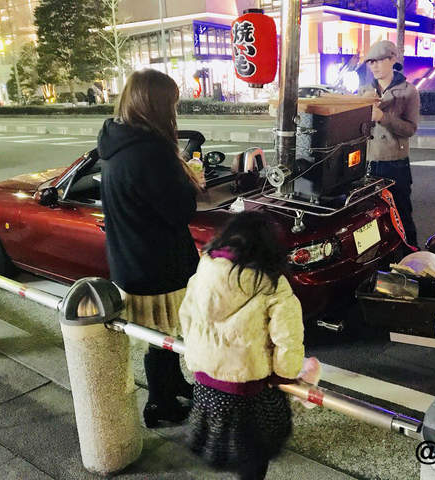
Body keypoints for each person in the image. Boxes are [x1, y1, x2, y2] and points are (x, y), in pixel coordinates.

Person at [98, 69, 202, 427]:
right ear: (157, 105)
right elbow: (180, 210)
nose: (175, 111)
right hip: (158, 264)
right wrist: (191, 181)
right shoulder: (151, 152)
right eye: (172, 103)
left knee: (161, 335)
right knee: (161, 335)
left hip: (131, 258)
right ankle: (160, 405)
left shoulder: (117, 141)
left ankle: (173, 384)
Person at [179, 211, 305, 480]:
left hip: (206, 381)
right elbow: (287, 338)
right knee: (255, 450)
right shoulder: (272, 283)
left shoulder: (205, 270)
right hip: (249, 388)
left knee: (223, 441)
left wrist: (197, 357)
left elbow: (186, 316)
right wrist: (285, 374)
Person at [363, 39, 420, 248]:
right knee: (370, 218)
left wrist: (382, 117)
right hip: (368, 162)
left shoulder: (408, 91)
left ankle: (410, 254)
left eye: (379, 60)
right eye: (371, 62)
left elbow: (410, 129)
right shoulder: (365, 91)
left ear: (392, 60)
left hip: (395, 163)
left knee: (401, 214)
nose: (374, 66)